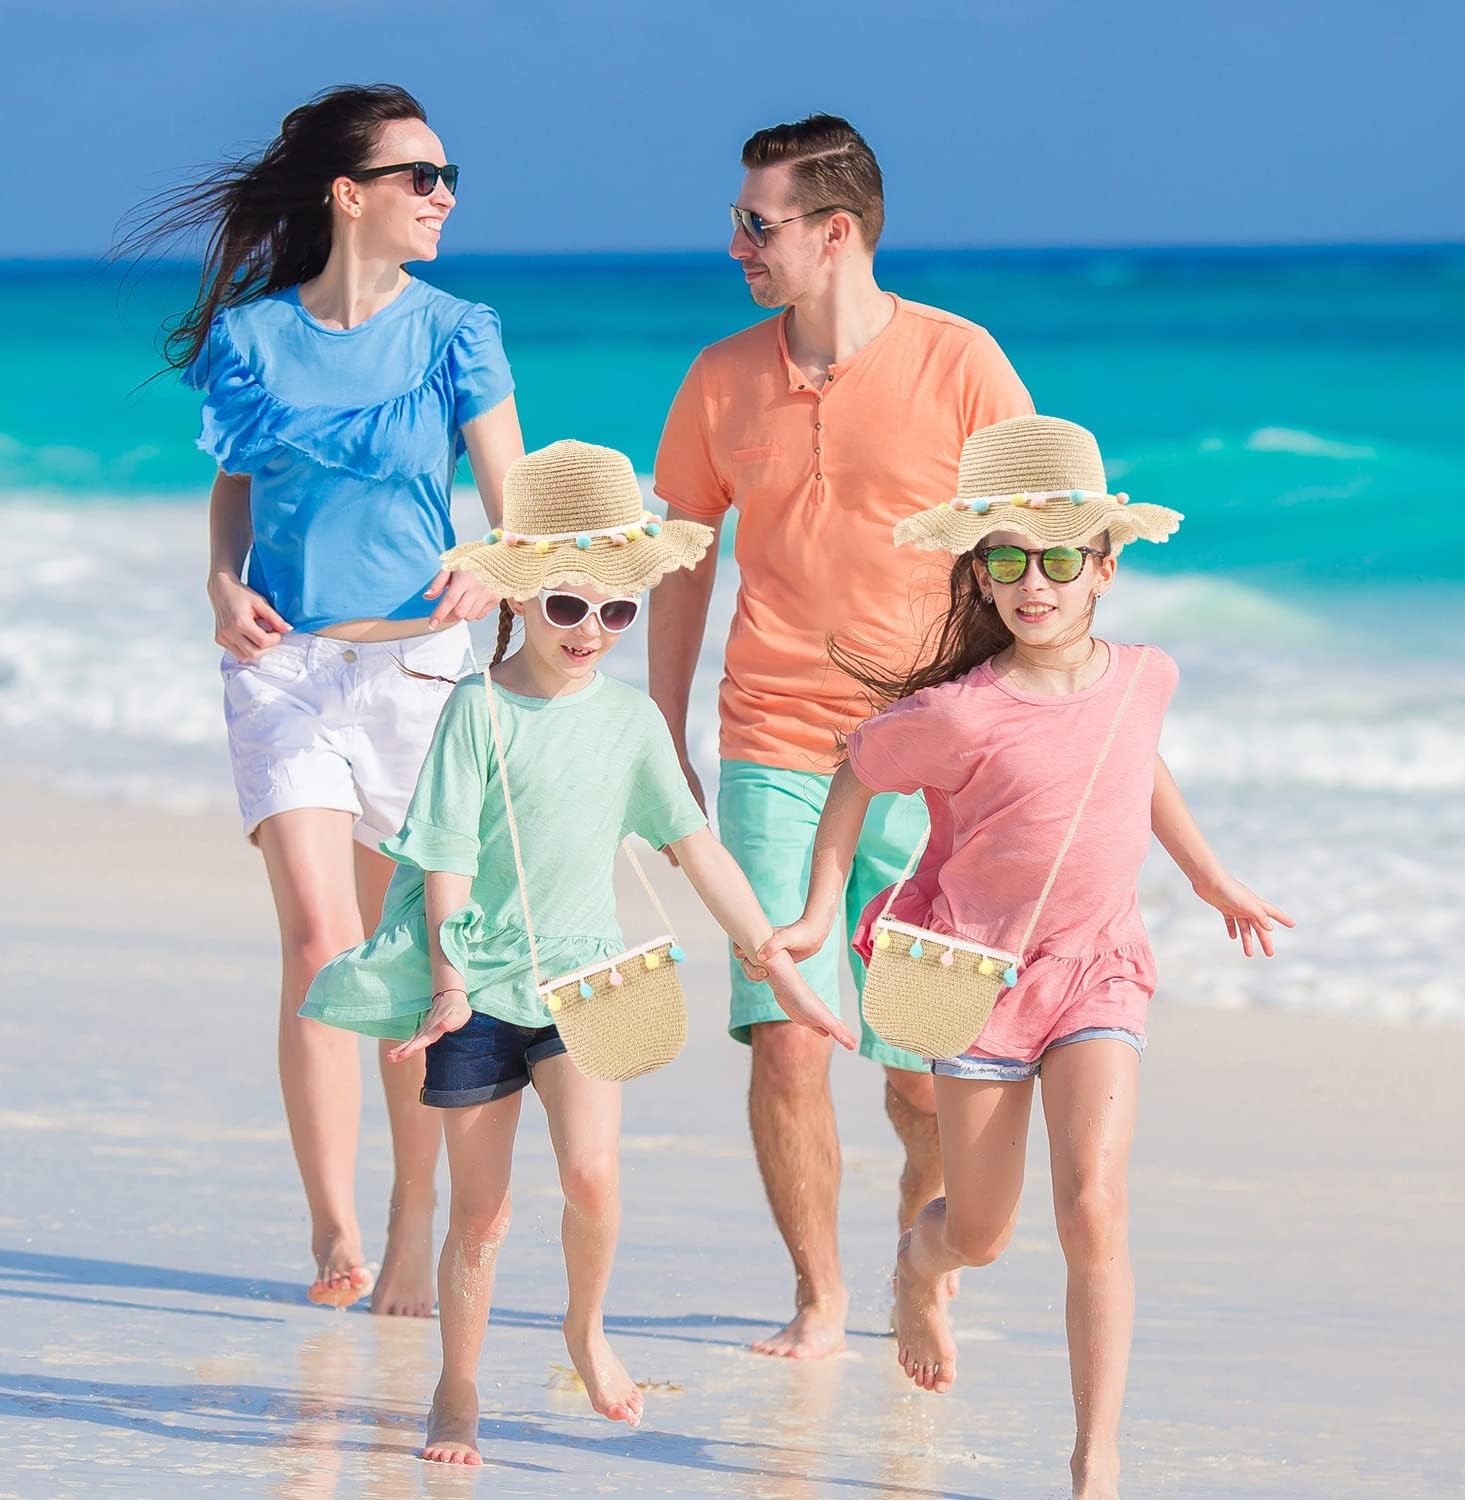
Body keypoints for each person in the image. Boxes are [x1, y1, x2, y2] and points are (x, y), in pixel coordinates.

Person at [759, 415, 1294, 1500]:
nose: (1033, 583)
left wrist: (1209, 876)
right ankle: (919, 1264)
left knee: (1094, 1202)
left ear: (1104, 565)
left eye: (1057, 559)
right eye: (1006, 561)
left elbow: (1136, 763)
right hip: (976, 984)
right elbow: (855, 773)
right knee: (982, 1232)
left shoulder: (1144, 676)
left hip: (1098, 969)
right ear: (981, 573)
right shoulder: (956, 714)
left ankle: (1095, 1461)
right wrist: (817, 913)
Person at [301, 440, 858, 1466]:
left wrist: (780, 966)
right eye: (567, 605)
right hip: (480, 989)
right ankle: (457, 1389)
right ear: (520, 595)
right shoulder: (476, 709)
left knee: (594, 1178)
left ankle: (585, 1327)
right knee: (482, 1215)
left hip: (588, 984)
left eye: (618, 611)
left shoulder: (632, 721)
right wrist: (449, 984)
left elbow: (698, 851)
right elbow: (447, 856)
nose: (591, 630)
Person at [649, 113, 1034, 1358]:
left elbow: (1034, 550)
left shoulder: (962, 363)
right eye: (737, 221)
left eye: (755, 224)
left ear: (836, 231)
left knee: (922, 1069)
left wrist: (1028, 723)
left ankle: (923, 1253)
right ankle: (817, 1296)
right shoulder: (720, 377)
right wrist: (661, 727)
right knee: (785, 1042)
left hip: (929, 757)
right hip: (772, 746)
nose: (736, 245)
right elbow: (684, 556)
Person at [141, 83, 524, 1312]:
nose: (444, 196)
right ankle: (335, 1227)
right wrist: (219, 581)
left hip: (419, 673)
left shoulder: (459, 331)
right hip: (285, 671)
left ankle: (413, 1212)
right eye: (422, 177)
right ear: (349, 194)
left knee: (407, 961)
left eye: (449, 177)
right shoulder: (251, 339)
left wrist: (492, 565)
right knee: (320, 944)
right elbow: (236, 485)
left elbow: (514, 509)